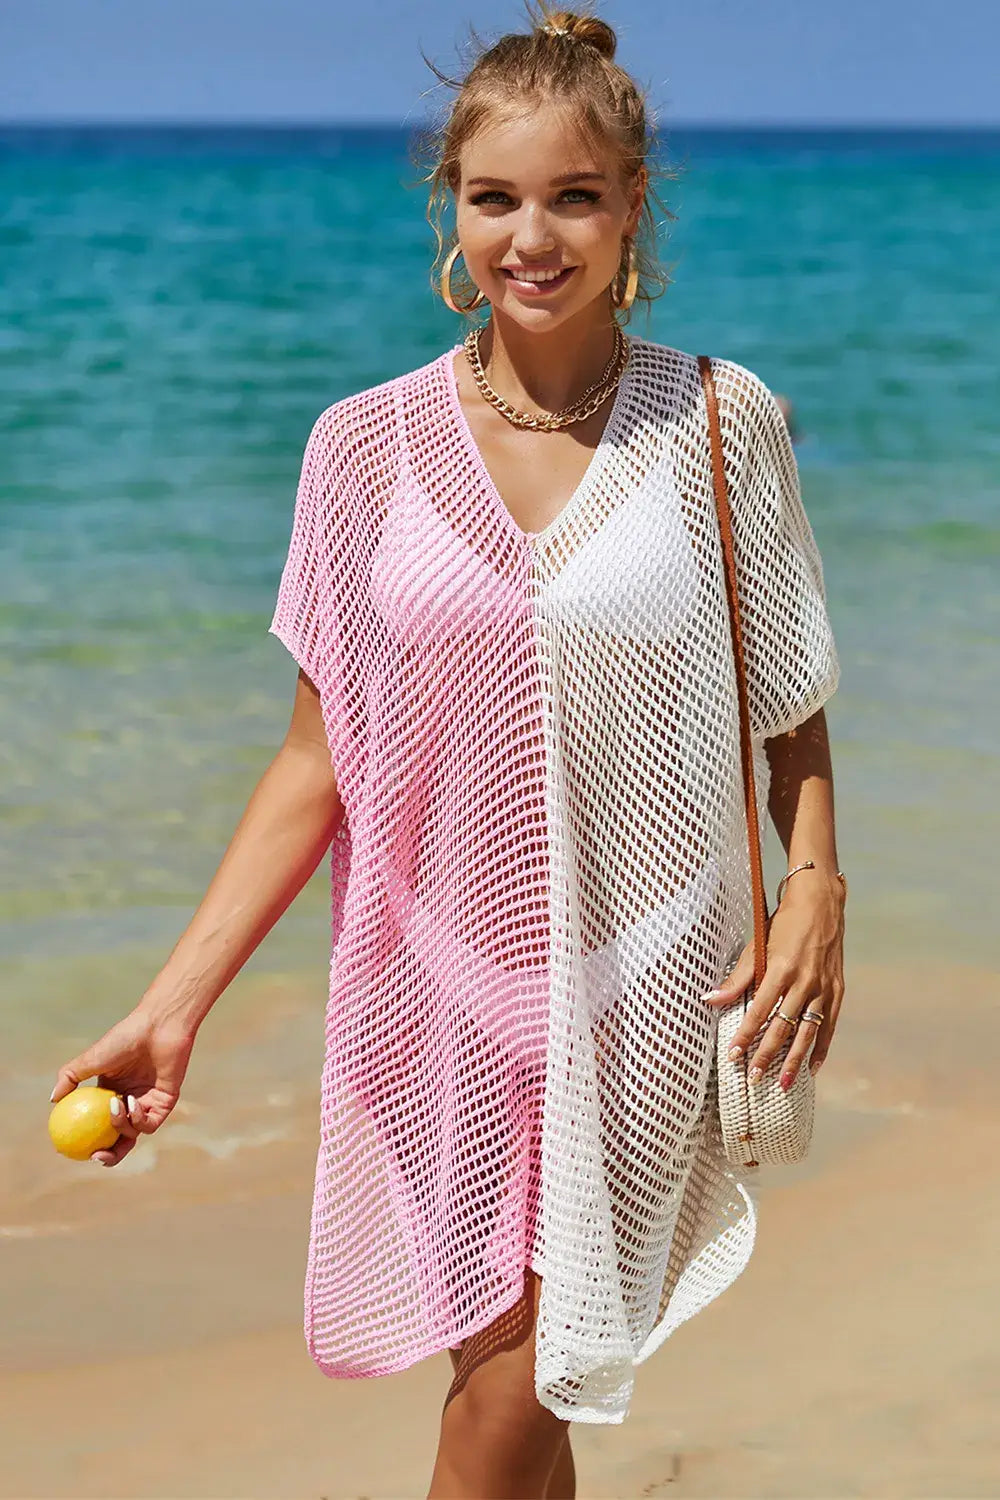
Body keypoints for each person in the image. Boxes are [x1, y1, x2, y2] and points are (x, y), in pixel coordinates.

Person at [49, 7, 847, 1497]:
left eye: (574, 197)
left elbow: (788, 696)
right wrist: (172, 1008)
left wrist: (817, 887)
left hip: (648, 985)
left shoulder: (719, 421)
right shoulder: (362, 448)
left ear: (634, 206)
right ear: (451, 208)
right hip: (439, 988)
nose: (531, 239)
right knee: (513, 1382)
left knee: (516, 1394)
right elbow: (318, 761)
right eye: (495, 199)